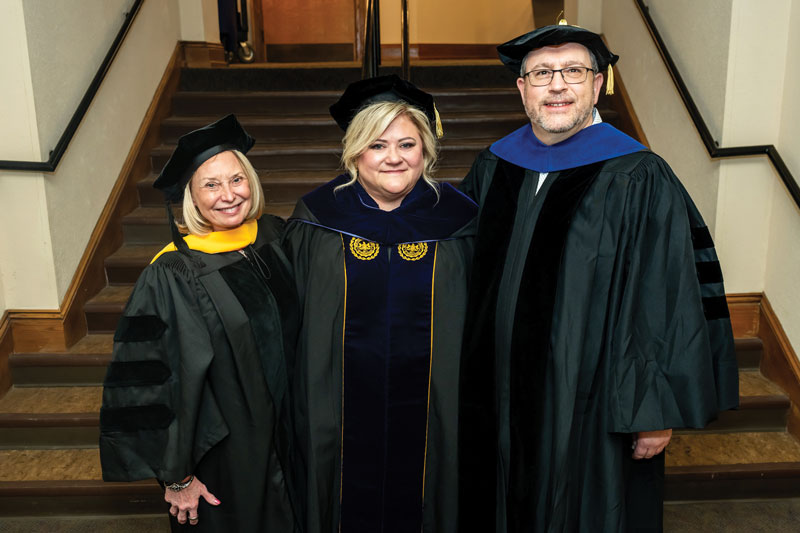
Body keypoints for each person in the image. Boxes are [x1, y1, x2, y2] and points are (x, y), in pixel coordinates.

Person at [457, 22, 740, 532]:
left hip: (591, 402)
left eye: (574, 71)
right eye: (542, 72)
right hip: (495, 395)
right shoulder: (493, 166)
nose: (558, 85)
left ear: (598, 84)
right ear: (522, 88)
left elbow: (664, 295)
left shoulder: (637, 175)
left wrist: (653, 407)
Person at [283, 75, 478, 533]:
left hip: (437, 410)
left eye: (407, 144)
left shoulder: (461, 221)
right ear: (354, 153)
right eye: (377, 145)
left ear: (426, 151)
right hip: (340, 411)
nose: (394, 157)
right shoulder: (317, 221)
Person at [99, 115, 300, 531]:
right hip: (226, 454)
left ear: (252, 184)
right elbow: (155, 378)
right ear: (191, 195)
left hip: (292, 439)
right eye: (210, 184)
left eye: (237, 180)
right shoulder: (174, 272)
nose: (228, 195)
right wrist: (177, 476)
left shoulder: (275, 238)